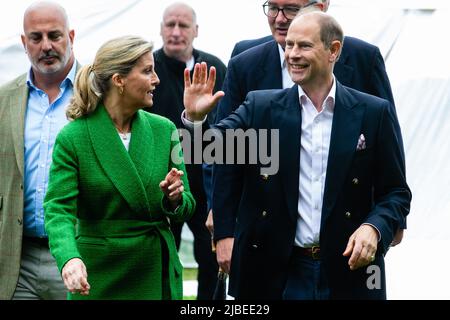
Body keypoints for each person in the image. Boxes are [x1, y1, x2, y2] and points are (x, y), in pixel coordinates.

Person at [183, 12, 411, 299]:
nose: (291, 54)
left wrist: (374, 228)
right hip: (279, 272)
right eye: (289, 45)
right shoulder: (260, 107)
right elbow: (211, 152)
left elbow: (396, 193)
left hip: (351, 271)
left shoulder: (373, 112)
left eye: (303, 46)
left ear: (334, 51)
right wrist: (195, 120)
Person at [43, 36, 195, 300]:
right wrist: (69, 258)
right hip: (96, 276)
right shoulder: (73, 137)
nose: (156, 79)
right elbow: (58, 210)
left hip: (152, 272)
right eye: (147, 71)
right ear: (119, 80)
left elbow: (187, 207)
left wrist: (176, 198)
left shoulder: (165, 130)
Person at [0, 1, 78, 300]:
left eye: (54, 36)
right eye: (36, 37)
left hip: (77, 253)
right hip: (17, 259)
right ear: (24, 42)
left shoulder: (98, 93)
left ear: (71, 36)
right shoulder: (5, 99)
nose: (46, 45)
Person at [147, 2, 225, 299]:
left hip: (206, 182)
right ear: (161, 29)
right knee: (163, 256)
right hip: (164, 182)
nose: (176, 32)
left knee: (213, 257)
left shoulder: (214, 66)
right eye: (170, 25)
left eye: (183, 26)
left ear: (196, 31)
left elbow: (227, 127)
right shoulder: (149, 69)